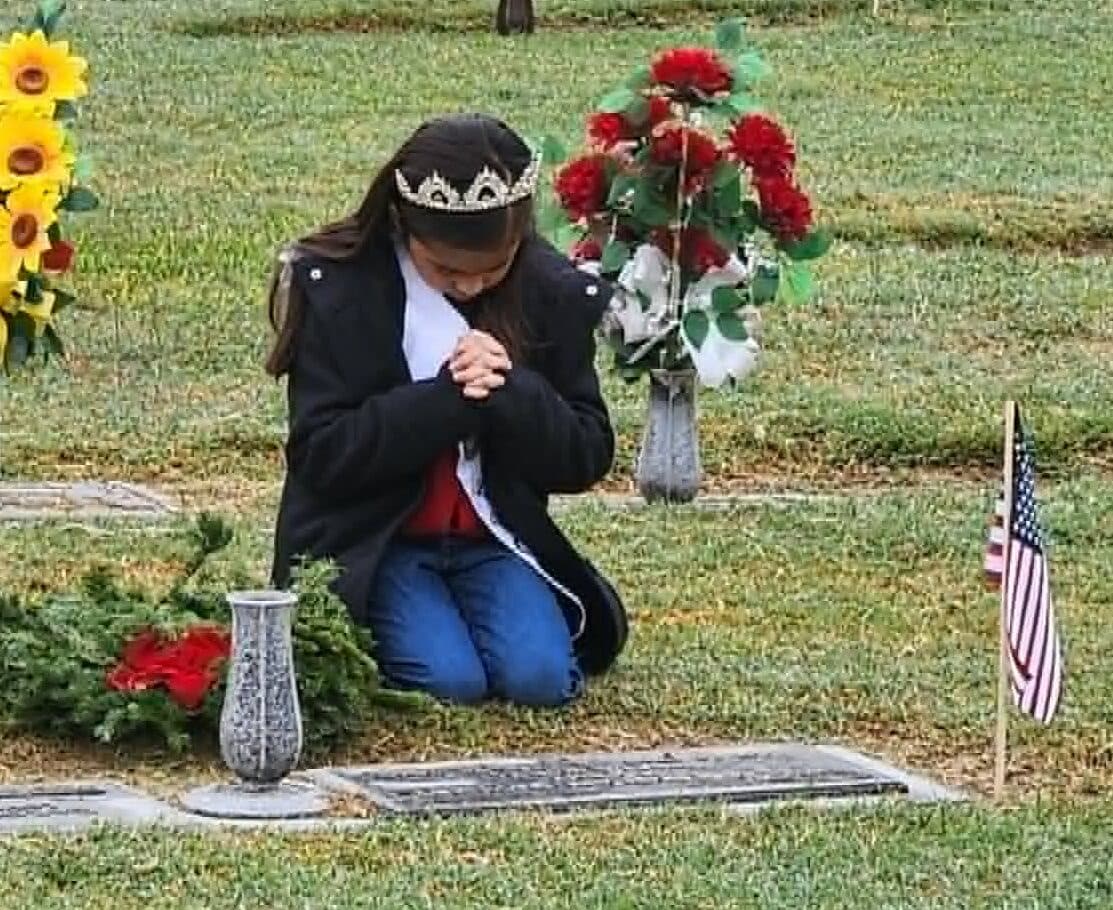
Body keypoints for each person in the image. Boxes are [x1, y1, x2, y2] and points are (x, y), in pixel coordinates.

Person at [265, 113, 628, 708]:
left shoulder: (550, 289)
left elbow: (585, 454)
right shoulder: (339, 287)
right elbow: (323, 456)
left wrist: (511, 391)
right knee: (449, 681)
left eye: (493, 269)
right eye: (447, 271)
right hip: (377, 541)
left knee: (539, 680)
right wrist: (446, 399)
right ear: (404, 227)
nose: (469, 287)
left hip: (493, 537)